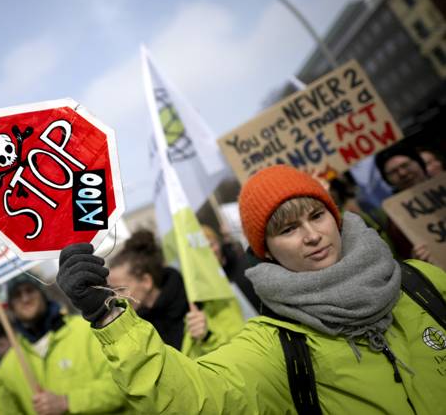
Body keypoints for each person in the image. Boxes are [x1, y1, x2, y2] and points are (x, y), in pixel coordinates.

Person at [57, 164, 446, 414]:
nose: (312, 236)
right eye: (288, 229)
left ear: (335, 215)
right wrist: (107, 314)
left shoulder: (422, 282)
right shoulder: (275, 343)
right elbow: (193, 398)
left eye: (317, 215)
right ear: (267, 250)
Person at [0, 273, 128, 415]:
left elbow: (123, 385)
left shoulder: (87, 331)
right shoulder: (7, 369)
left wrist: (68, 402)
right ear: (11, 306)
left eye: (30, 290)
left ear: (42, 294)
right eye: (17, 295)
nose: (25, 299)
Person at [107, 229, 243, 358]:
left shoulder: (204, 298)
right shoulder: (138, 327)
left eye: (121, 289)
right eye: (112, 291)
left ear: (146, 281)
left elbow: (242, 350)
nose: (116, 298)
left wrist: (207, 336)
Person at [375, 143, 434, 262]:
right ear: (388, 180)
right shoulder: (396, 220)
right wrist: (415, 260)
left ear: (419, 163)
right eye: (393, 172)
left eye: (405, 165)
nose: (402, 173)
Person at [201, 224, 260, 316]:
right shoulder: (209, 286)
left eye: (211, 245)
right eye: (204, 250)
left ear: (218, 242)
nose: (211, 251)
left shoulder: (244, 262)